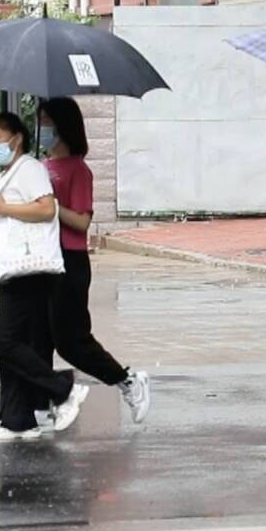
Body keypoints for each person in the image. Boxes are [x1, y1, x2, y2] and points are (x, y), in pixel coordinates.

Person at [37, 97, 151, 424]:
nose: (41, 128)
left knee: (70, 341)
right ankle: (44, 405)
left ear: (61, 127)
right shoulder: (40, 167)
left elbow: (82, 222)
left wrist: (50, 206)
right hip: (42, 260)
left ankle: (127, 380)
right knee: (39, 338)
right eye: (40, 121)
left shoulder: (77, 170)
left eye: (46, 122)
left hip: (69, 261)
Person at [0, 111, 89, 441]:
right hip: (13, 269)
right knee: (14, 343)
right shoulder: (9, 173)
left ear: (17, 138)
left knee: (5, 341)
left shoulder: (29, 169)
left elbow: (46, 208)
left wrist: (3, 207)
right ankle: (18, 419)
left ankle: (63, 390)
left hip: (32, 269)